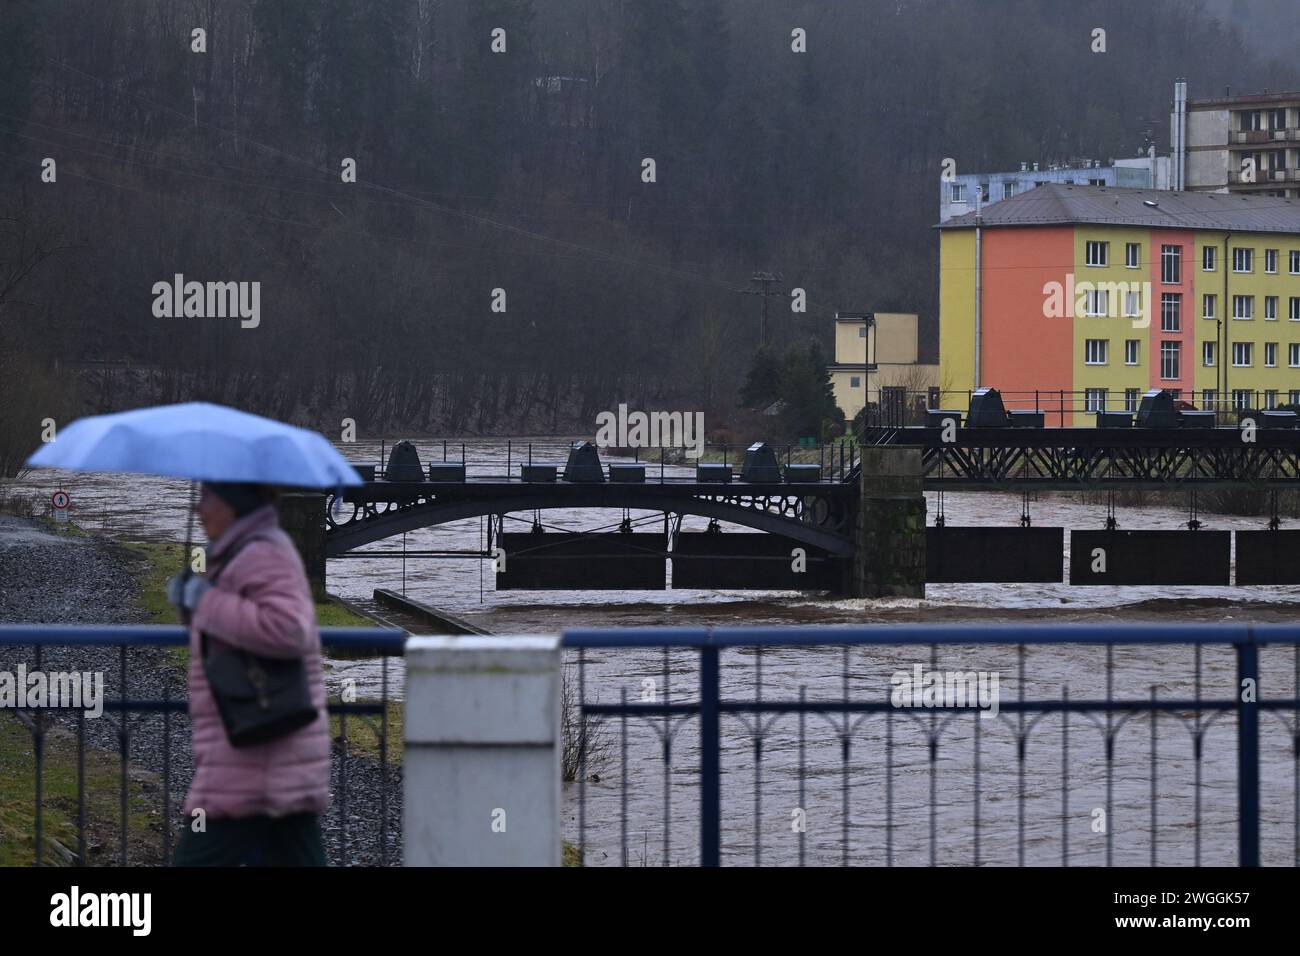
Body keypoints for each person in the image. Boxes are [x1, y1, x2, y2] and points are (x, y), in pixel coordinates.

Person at [166, 481, 330, 866]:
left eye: (207, 497)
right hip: (264, 747)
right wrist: (191, 601)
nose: (198, 508)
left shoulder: (264, 553)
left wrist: (205, 602)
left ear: (234, 502)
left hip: (255, 756)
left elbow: (288, 629)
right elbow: (228, 630)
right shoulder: (238, 551)